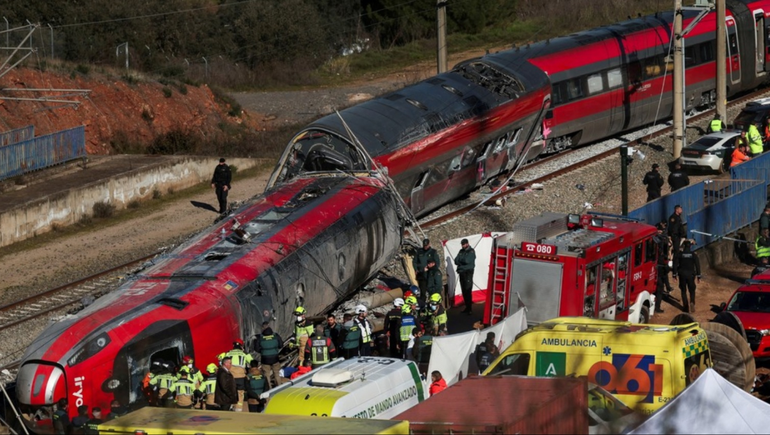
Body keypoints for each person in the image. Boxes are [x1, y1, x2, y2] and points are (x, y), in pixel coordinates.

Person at [673, 240, 701, 313]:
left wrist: (674, 274)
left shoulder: (680, 254)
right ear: (690, 246)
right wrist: (698, 276)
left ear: (684, 246)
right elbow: (697, 265)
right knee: (692, 290)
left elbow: (675, 264)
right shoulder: (693, 255)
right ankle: (692, 302)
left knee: (683, 291)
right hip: (691, 275)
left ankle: (685, 307)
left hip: (682, 275)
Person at [225, 339, 252, 412]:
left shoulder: (228, 353)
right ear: (241, 346)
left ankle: (230, 405)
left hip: (230, 377)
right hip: (240, 377)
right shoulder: (244, 354)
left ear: (233, 345)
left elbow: (222, 363)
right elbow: (251, 362)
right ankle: (238, 409)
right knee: (240, 393)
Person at [254, 321, 283, 389]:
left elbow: (256, 348)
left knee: (266, 375)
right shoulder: (275, 335)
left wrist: (263, 351)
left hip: (265, 359)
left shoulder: (260, 337)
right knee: (276, 374)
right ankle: (279, 387)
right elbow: (281, 345)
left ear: (262, 328)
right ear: (269, 326)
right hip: (275, 358)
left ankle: (269, 389)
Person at [653, 222, 673, 314]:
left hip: (657, 266)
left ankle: (668, 287)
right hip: (660, 268)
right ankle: (657, 307)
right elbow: (667, 250)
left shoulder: (654, 238)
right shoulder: (661, 240)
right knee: (660, 289)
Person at [454, 238, 477, 314]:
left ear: (467, 243)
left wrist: (460, 261)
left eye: (463, 244)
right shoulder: (461, 251)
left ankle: (469, 308)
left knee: (468, 290)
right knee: (463, 290)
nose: (462, 246)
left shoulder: (471, 251)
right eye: (462, 244)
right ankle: (467, 307)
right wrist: (462, 261)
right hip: (461, 272)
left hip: (468, 272)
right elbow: (456, 260)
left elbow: (467, 261)